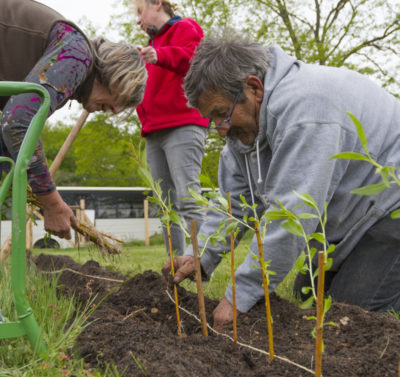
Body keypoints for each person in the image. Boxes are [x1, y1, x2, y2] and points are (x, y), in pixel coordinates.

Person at [162, 34, 400, 331]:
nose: (221, 131)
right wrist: (202, 255)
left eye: (222, 114)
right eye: (213, 120)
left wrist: (238, 296)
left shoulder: (307, 109)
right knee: (306, 297)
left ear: (254, 88)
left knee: (350, 318)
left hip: (391, 209)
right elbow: (234, 205)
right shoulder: (243, 136)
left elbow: (293, 214)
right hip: (354, 220)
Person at [0, 0, 147, 240]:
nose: (116, 111)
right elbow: (17, 124)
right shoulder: (78, 53)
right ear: (115, 75)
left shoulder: (66, 67)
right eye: (123, 98)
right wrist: (52, 203)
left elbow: (9, 139)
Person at [133, 0, 209, 256]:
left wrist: (161, 56)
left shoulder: (185, 28)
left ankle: (201, 264)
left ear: (156, 4)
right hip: (154, 131)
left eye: (139, 10)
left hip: (183, 125)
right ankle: (175, 266)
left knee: (188, 199)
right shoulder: (151, 47)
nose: (137, 19)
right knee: (165, 205)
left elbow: (197, 62)